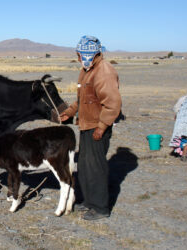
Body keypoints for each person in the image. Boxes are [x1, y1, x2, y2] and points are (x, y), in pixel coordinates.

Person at [60, 35, 122, 220]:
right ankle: (89, 201)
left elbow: (112, 103)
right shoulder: (87, 70)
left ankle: (101, 208)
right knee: (86, 165)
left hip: (97, 126)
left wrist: (102, 127)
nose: (78, 57)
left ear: (87, 53)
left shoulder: (104, 71)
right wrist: (70, 112)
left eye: (79, 54)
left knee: (96, 166)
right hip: (86, 125)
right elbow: (82, 99)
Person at [169, 93, 187, 161]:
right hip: (186, 119)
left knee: (185, 137)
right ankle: (184, 155)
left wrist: (177, 115)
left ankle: (183, 154)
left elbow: (176, 108)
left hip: (182, 120)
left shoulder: (185, 97)